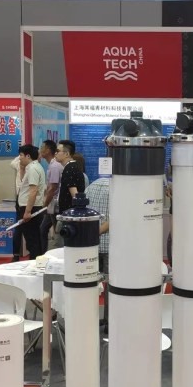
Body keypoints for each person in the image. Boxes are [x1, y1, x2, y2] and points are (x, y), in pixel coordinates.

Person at [86, 174, 111, 332]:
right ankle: (109, 321)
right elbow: (115, 218)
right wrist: (100, 231)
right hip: (111, 244)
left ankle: (90, 319)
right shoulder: (117, 189)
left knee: (90, 284)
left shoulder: (91, 187)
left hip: (92, 245)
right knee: (110, 286)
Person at [16, 144, 46, 260]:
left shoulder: (33, 169)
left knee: (32, 240)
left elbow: (33, 191)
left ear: (28, 156)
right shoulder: (33, 167)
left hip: (30, 208)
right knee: (33, 240)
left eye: (21, 155)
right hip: (31, 207)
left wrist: (27, 211)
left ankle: (35, 264)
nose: (19, 158)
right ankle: (36, 262)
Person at [39, 139, 63, 251]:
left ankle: (51, 253)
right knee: (43, 229)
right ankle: (44, 253)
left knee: (57, 233)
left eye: (42, 147)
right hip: (52, 205)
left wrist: (45, 204)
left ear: (48, 150)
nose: (40, 150)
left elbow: (53, 188)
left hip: (55, 205)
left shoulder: (54, 166)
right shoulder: (52, 165)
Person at [56, 140, 85, 215]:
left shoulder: (70, 168)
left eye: (58, 151)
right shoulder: (73, 166)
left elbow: (74, 194)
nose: (55, 153)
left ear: (67, 154)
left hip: (69, 214)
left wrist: (77, 213)